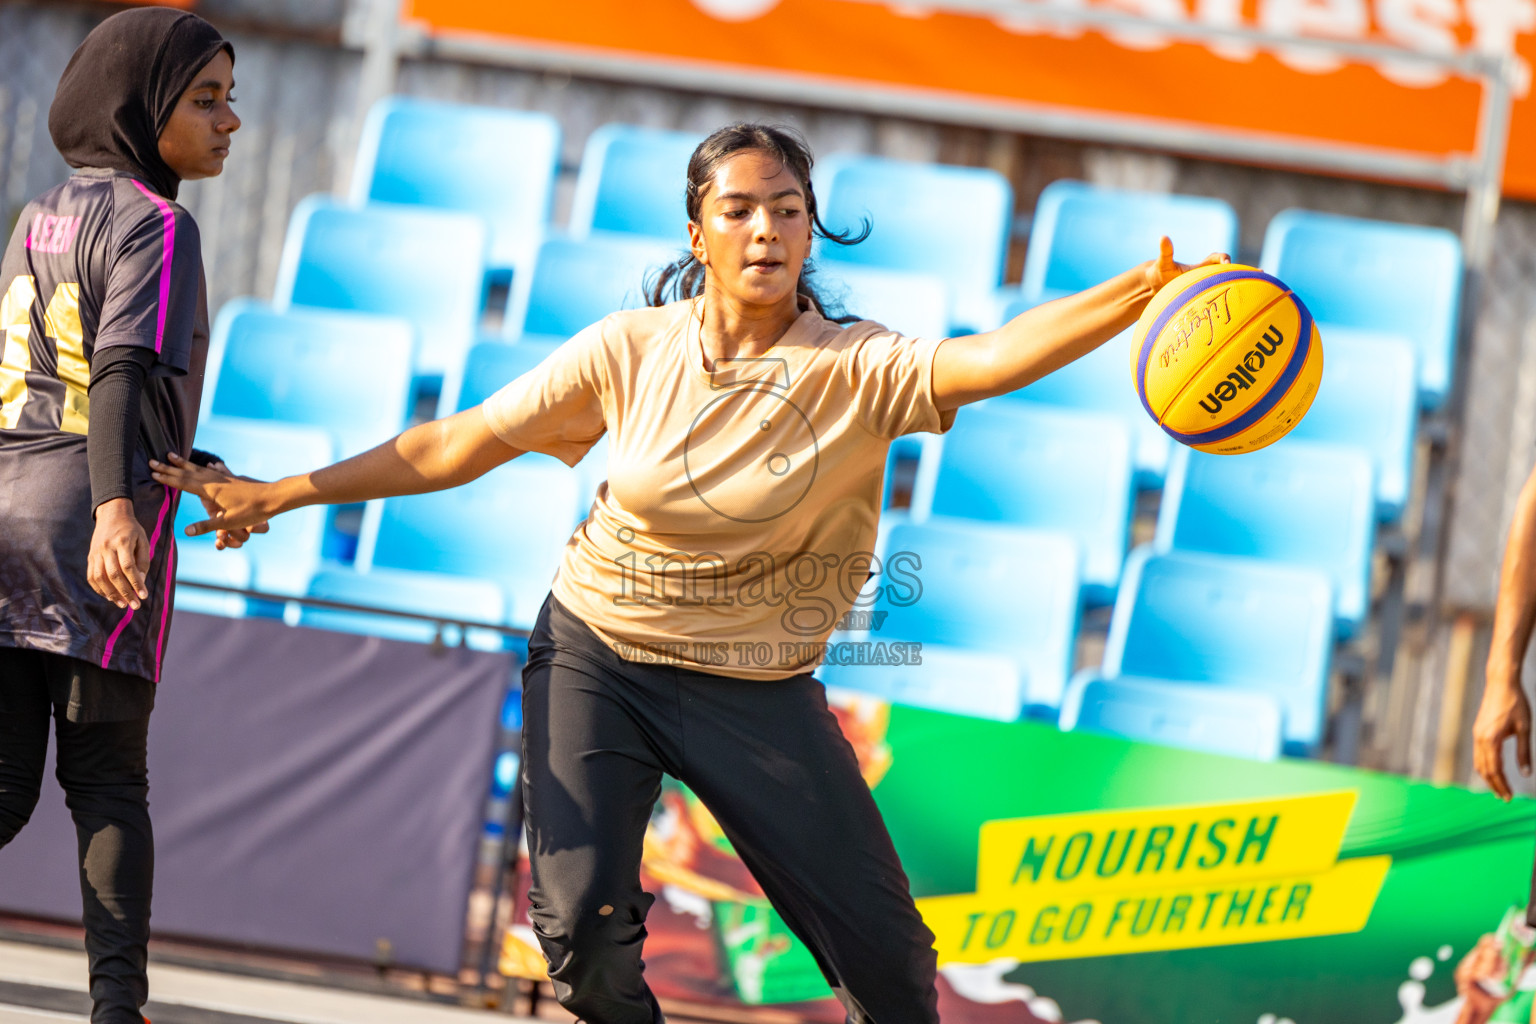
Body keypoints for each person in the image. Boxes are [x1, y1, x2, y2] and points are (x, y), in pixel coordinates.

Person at [155, 123, 1227, 1023]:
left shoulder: (859, 366)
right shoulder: (630, 347)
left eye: (789, 210)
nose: (767, 229)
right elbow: (459, 443)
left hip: (755, 693)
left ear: (811, 228)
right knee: (581, 937)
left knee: (894, 972)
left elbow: (989, 358)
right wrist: (281, 492)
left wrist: (1134, 295)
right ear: (697, 232)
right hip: (596, 654)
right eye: (742, 209)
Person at [0, 9, 254, 1023]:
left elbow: (66, 386)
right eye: (207, 98)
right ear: (141, 107)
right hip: (87, 526)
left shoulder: (38, 212)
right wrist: (116, 508)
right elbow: (116, 374)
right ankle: (118, 1008)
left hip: (9, 504)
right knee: (107, 780)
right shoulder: (157, 221)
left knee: (9, 779)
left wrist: (204, 468)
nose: (231, 119)